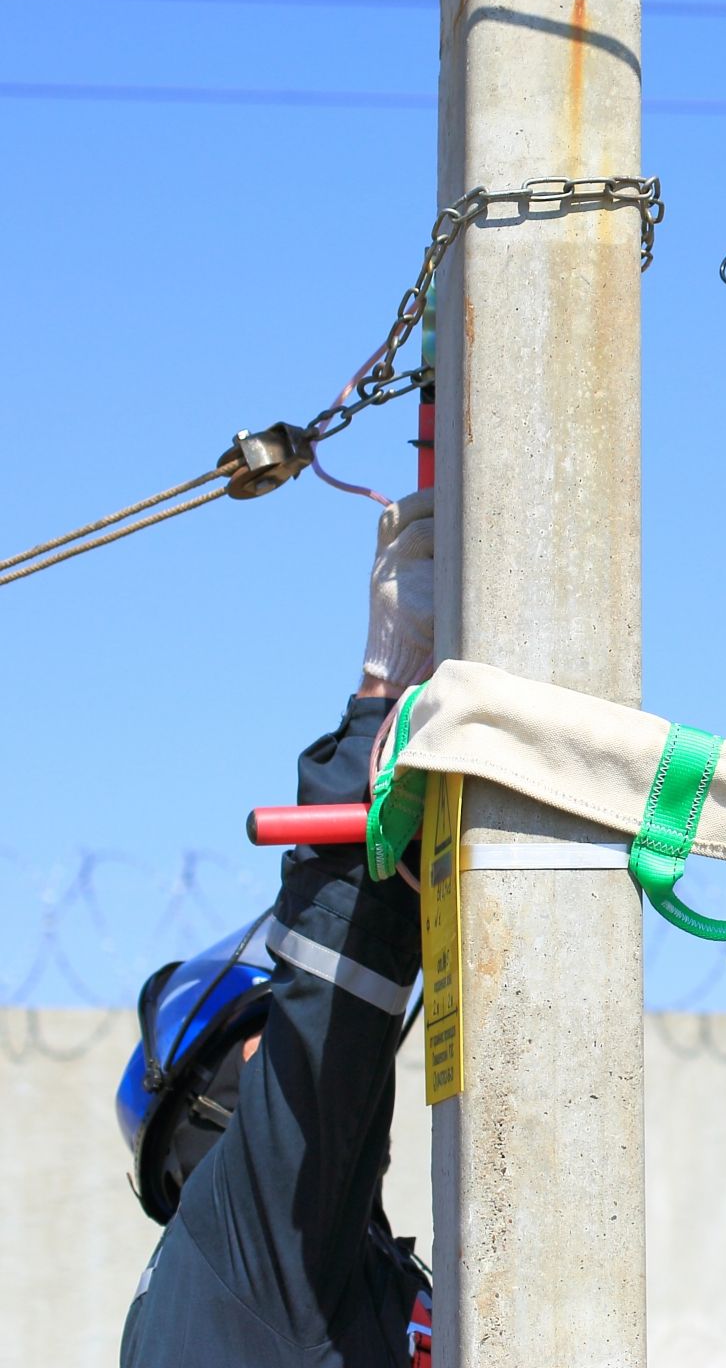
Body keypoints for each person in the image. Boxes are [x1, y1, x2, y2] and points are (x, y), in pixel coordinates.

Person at [118, 489, 437, 1368]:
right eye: (265, 1042)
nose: (283, 1054)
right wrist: (385, 691)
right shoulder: (245, 1249)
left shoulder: (289, 1279)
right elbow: (332, 971)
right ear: (208, 1104)